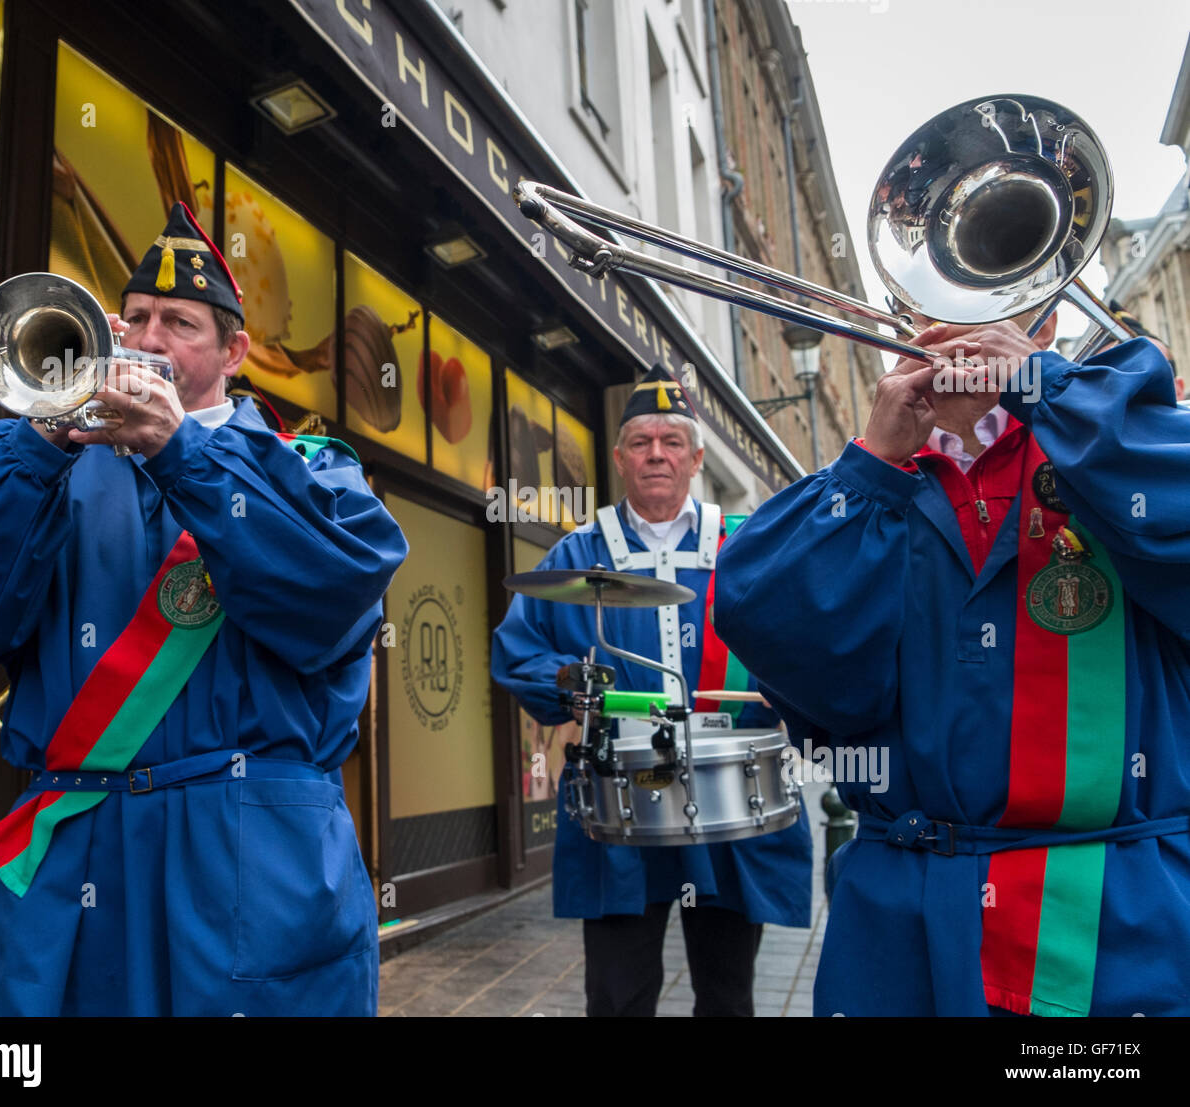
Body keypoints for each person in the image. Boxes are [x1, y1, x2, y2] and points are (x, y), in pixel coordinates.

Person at [0, 202, 408, 1016]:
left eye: (179, 321)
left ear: (235, 350)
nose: (148, 337)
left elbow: (334, 600)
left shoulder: (312, 469)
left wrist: (184, 455)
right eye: (132, 317)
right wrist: (43, 437)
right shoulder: (39, 457)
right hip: (78, 850)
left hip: (246, 852)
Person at [714, 309, 1190, 1016]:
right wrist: (872, 462)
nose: (959, 316)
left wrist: (1046, 388)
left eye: (992, 292)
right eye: (931, 300)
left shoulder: (1118, 444)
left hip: (1111, 932)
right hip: (899, 929)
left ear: (1049, 314)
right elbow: (767, 624)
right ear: (903, 319)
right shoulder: (862, 486)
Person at [491, 365, 811, 1018]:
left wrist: (792, 688)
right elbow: (518, 647)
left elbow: (804, 637)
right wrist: (564, 681)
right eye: (641, 441)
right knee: (616, 994)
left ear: (696, 456)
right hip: (620, 797)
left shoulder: (745, 544)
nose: (656, 453)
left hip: (724, 801)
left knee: (728, 994)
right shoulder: (581, 553)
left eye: (671, 440)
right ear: (618, 457)